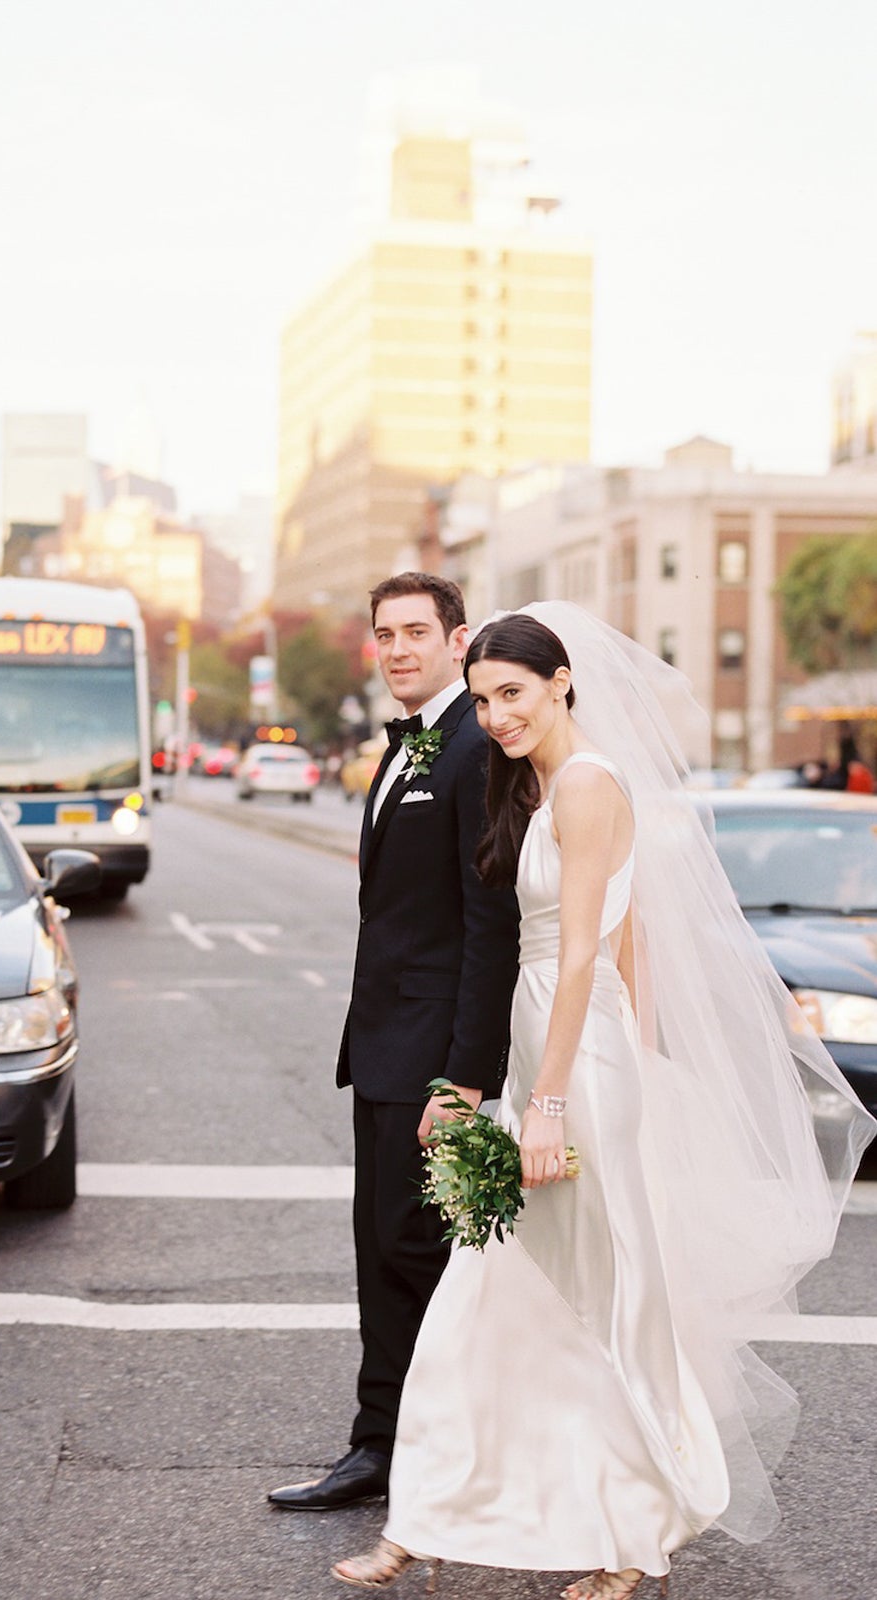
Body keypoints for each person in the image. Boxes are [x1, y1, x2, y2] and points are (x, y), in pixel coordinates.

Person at [331, 603, 874, 1597]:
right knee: (482, 1295)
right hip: (542, 1051)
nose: (494, 716)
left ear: (561, 683)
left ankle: (632, 1540)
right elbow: (606, 946)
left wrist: (545, 1104)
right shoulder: (527, 786)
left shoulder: (584, 785)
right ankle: (421, 1522)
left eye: (513, 693)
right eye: (485, 697)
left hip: (572, 1067)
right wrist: (475, 1086)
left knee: (608, 1301)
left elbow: (581, 953)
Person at [268, 573, 520, 1513]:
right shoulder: (412, 747)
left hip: (430, 1064)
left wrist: (462, 1079)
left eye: (418, 631)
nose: (398, 648)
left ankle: (404, 1451)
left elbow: (489, 927)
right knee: (386, 1253)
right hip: (382, 1049)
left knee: (415, 1256)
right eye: (384, 634)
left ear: (460, 641)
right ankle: (393, 1445)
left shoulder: (472, 750)